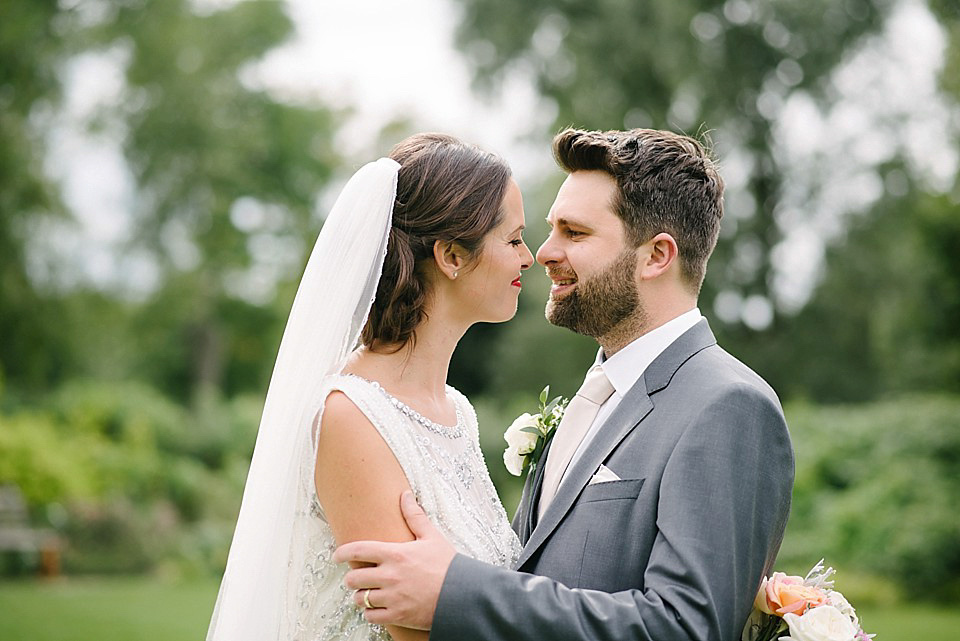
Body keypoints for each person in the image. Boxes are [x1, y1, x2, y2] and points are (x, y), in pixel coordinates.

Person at [333, 128, 796, 641]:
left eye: (574, 233)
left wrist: (456, 592)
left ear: (656, 256)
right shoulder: (597, 395)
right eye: (549, 229)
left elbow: (685, 628)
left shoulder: (728, 406)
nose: (542, 252)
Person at [207, 133, 532, 641]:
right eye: (513, 239)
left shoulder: (458, 413)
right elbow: (413, 632)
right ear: (451, 255)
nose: (528, 257)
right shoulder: (353, 416)